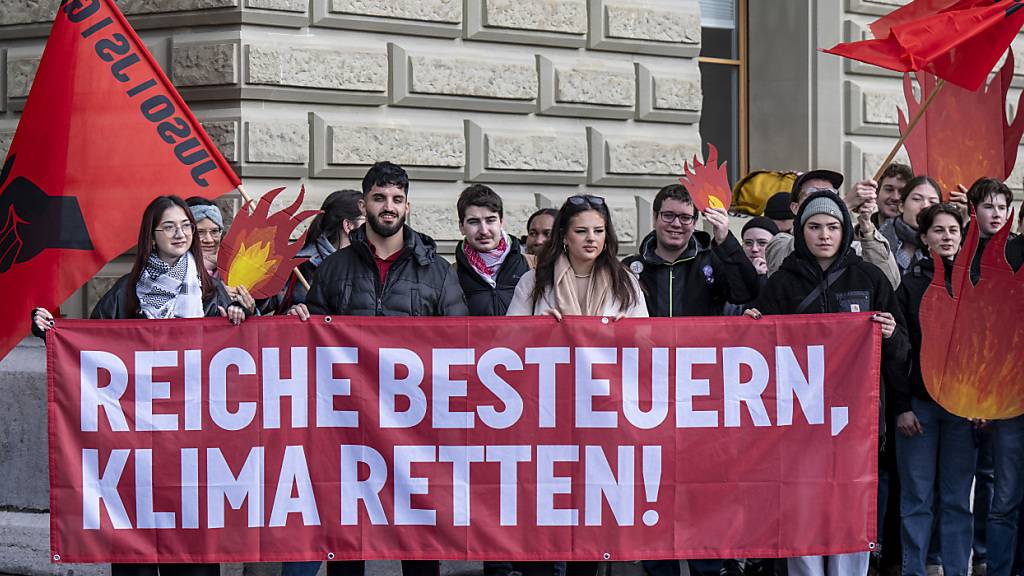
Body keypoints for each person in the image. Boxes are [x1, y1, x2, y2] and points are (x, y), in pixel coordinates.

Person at [32, 194, 248, 576]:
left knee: (193, 557)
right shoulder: (124, 294)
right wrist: (50, 332)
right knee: (137, 557)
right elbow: (89, 348)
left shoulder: (213, 292)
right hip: (138, 447)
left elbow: (244, 352)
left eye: (185, 226)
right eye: (169, 226)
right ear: (151, 236)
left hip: (195, 448)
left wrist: (241, 313)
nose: (180, 234)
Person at [287, 161, 466, 576]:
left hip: (416, 429)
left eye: (397, 199)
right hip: (349, 428)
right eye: (380, 198)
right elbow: (314, 342)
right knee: (348, 540)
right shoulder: (333, 269)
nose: (389, 207)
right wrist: (300, 321)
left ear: (407, 205)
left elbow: (459, 343)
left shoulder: (436, 272)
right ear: (364, 203)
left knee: (419, 541)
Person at [745, 190, 909, 576]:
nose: (823, 235)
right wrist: (750, 328)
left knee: (850, 509)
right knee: (802, 509)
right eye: (814, 227)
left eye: (832, 227)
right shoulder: (781, 284)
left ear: (845, 231)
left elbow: (903, 349)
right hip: (798, 426)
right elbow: (758, 354)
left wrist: (889, 334)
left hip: (855, 425)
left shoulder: (870, 278)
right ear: (801, 232)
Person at [892, 204, 976, 576]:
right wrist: (901, 407)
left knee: (958, 500)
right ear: (924, 239)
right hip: (919, 408)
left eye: (953, 230)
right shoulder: (907, 286)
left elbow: (985, 348)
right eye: (938, 231)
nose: (946, 237)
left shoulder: (975, 284)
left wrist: (983, 400)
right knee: (916, 500)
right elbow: (896, 353)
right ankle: (914, 571)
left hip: (963, 409)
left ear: (962, 236)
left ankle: (958, 570)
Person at [621, 183, 759, 318]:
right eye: (668, 215)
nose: (676, 224)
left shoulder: (713, 262)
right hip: (649, 342)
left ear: (694, 222)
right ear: (655, 218)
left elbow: (745, 293)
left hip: (700, 341)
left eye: (685, 218)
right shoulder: (631, 267)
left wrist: (725, 240)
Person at [765, 169, 901, 289]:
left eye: (830, 194)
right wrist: (843, 207)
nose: (823, 199)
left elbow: (890, 283)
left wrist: (866, 225)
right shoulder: (780, 242)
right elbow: (789, 258)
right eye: (813, 193)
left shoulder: (855, 249)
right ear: (795, 208)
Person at [272, 189, 364, 315]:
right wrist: (292, 315)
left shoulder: (371, 262)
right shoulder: (299, 265)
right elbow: (259, 310)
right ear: (348, 226)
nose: (372, 228)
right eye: (366, 221)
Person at [455, 184, 532, 316]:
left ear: (501, 222)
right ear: (462, 227)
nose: (484, 231)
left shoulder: (531, 265)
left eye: (490, 220)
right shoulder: (451, 274)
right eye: (474, 222)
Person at [879, 175, 941, 275]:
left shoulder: (948, 244)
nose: (925, 206)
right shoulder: (877, 241)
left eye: (932, 202)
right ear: (901, 206)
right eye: (917, 199)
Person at [723, 217, 778, 316]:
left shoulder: (784, 275)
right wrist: (751, 275)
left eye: (762, 243)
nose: (754, 249)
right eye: (748, 243)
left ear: (774, 245)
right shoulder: (730, 272)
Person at [874, 163, 914, 227]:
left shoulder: (924, 235)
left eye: (902, 191)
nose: (895, 197)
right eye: (889, 189)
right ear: (876, 194)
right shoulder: (856, 234)